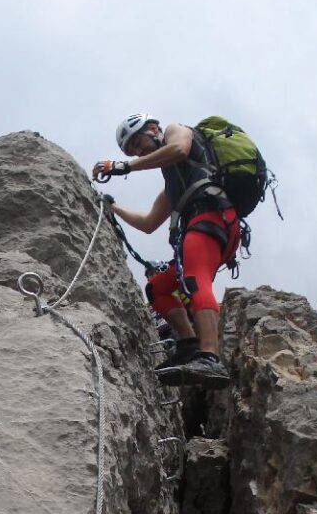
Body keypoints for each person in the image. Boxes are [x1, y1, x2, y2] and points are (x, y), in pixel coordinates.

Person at [92, 113, 240, 389]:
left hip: (211, 216)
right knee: (158, 288)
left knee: (195, 280)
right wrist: (113, 208)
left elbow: (179, 149)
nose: (137, 152)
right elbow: (149, 223)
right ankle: (188, 345)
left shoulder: (176, 131)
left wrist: (124, 166)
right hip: (205, 225)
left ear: (152, 128)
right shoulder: (175, 182)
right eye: (131, 151)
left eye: (137, 143)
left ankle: (210, 357)